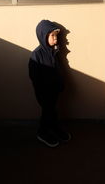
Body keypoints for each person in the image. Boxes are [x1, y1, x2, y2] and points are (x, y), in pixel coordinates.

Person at [28, 19, 71, 147]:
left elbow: (58, 69)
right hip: (44, 92)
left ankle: (53, 128)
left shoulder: (54, 52)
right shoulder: (36, 55)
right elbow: (34, 76)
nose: (56, 39)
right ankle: (42, 132)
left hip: (55, 90)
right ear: (43, 36)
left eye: (56, 35)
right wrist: (44, 88)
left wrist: (60, 82)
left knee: (52, 110)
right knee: (47, 111)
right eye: (52, 36)